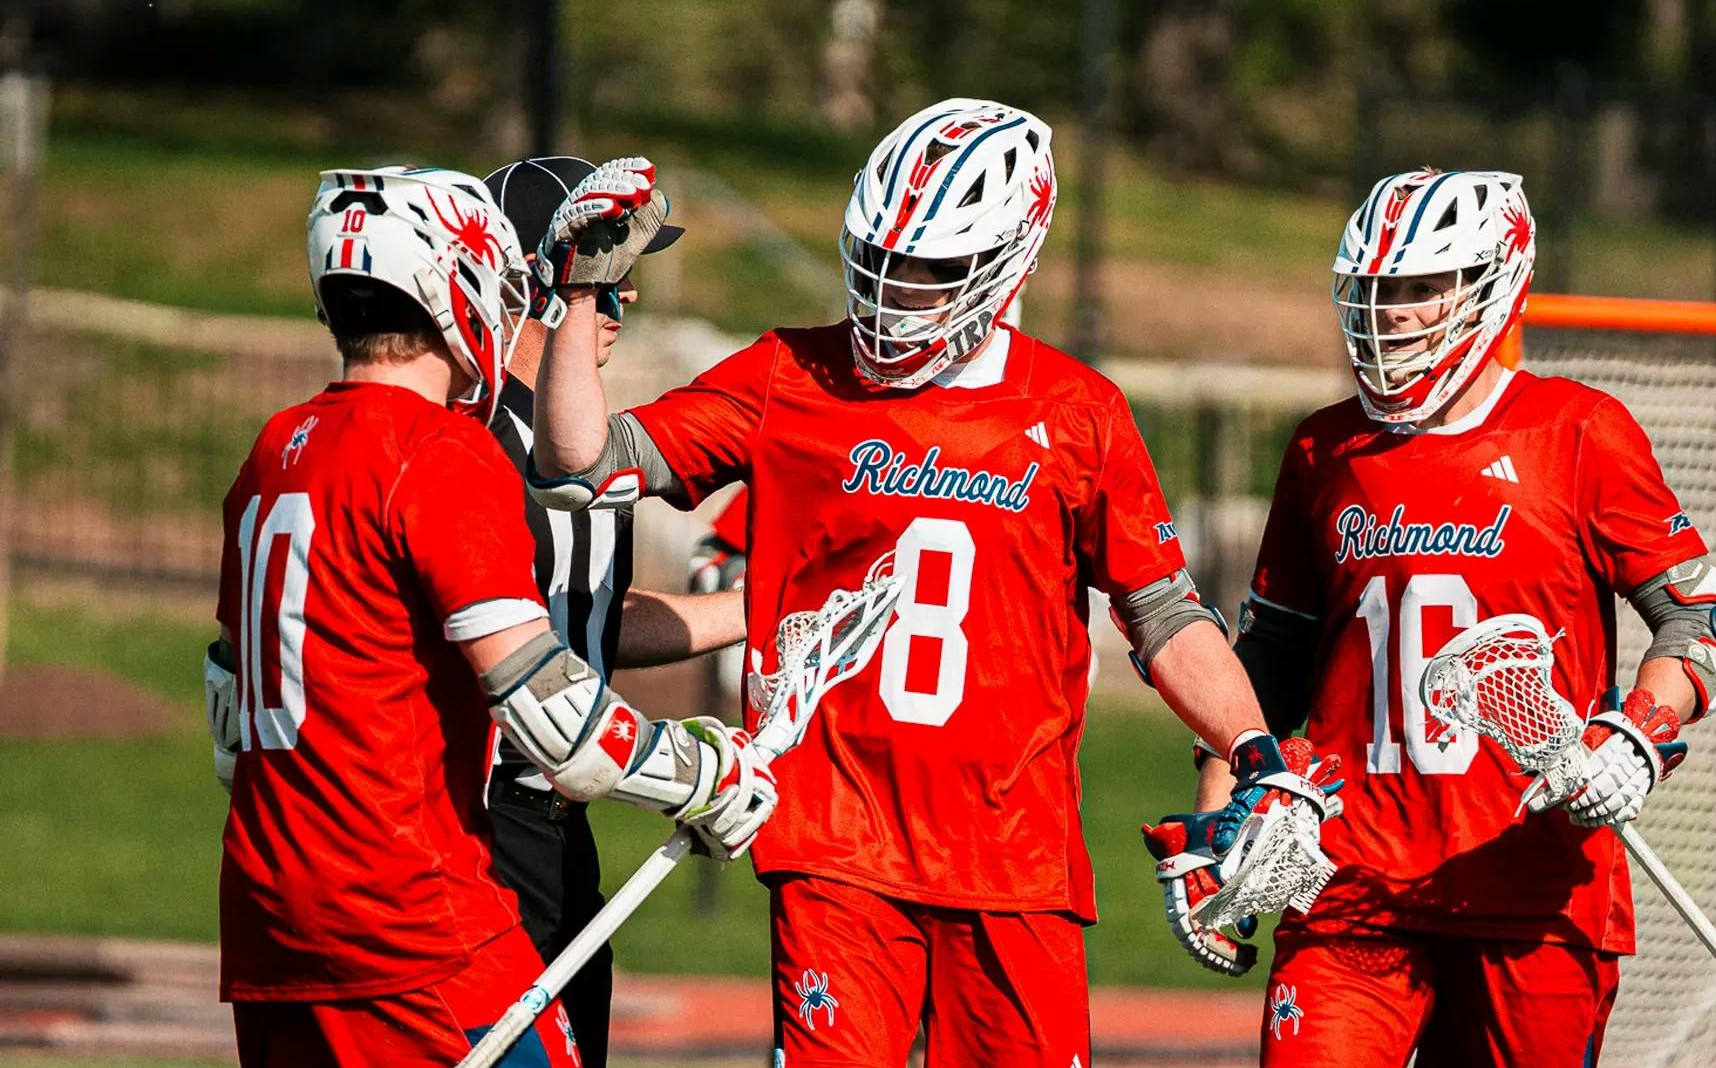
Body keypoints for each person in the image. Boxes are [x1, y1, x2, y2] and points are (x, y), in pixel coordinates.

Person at [521, 101, 1337, 1067]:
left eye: (929, 271)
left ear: (1010, 263)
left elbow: (1162, 612)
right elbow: (579, 461)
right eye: (878, 261)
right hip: (836, 845)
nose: (895, 293)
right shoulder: (791, 372)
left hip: (1013, 855)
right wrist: (582, 291)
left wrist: (1252, 750)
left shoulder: (1078, 411)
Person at [203, 166, 775, 1067]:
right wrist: (706, 773)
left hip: (269, 916)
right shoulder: (442, 451)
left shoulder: (277, 447)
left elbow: (230, 718)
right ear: (459, 282)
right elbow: (557, 722)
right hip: (413, 917)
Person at [1217, 168, 1716, 1066]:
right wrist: (1218, 822)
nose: (1390, 314)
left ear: (1496, 282)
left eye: (1420, 288)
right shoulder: (1322, 447)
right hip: (1350, 887)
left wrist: (1637, 736)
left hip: (1531, 890)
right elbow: (1268, 661)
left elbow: (1703, 618)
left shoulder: (1577, 431)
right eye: (1377, 290)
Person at [480, 154, 746, 1068]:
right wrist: (689, 776)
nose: (623, 298)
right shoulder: (475, 444)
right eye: (605, 272)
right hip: (488, 822)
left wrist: (765, 607)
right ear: (540, 277)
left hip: (566, 830)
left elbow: (585, 618)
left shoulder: (583, 450)